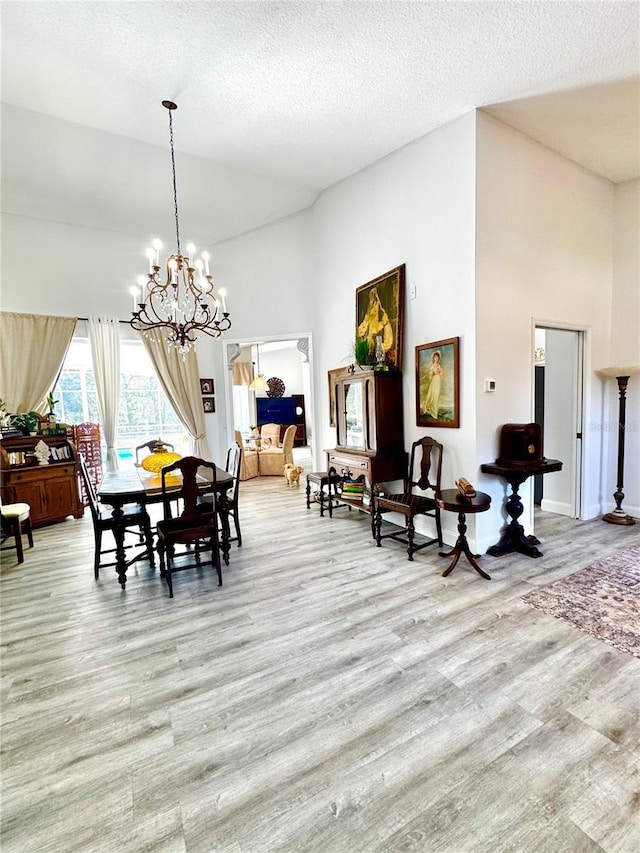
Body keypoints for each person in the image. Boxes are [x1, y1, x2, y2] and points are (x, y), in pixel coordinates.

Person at [357, 286, 393, 360]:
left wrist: (378, 348)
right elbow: (359, 332)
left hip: (380, 357)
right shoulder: (367, 319)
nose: (374, 306)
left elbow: (388, 342)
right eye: (372, 303)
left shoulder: (384, 319)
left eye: (376, 303)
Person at [423, 350, 442, 419]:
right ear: (433, 358)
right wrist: (431, 374)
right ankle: (428, 408)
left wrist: (439, 372)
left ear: (438, 358)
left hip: (438, 380)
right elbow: (430, 374)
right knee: (431, 395)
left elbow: (441, 373)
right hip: (434, 380)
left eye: (437, 358)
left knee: (436, 396)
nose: (436, 359)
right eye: (435, 357)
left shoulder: (439, 365)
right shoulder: (432, 366)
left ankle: (434, 412)